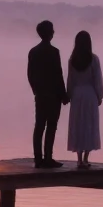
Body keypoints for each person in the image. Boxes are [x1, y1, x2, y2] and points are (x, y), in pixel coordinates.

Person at [27, 20, 67, 168]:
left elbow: (30, 74)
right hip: (53, 95)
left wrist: (36, 91)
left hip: (41, 95)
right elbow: (58, 75)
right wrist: (63, 95)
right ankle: (48, 157)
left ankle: (38, 159)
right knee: (51, 126)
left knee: (39, 126)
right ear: (50, 33)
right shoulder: (54, 52)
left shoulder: (33, 51)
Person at [65, 30, 103, 168]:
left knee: (77, 125)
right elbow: (97, 80)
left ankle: (79, 158)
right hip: (90, 94)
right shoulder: (94, 59)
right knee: (89, 125)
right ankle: (86, 158)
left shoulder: (72, 60)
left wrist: (69, 95)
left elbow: (70, 80)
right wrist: (100, 96)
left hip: (77, 95)